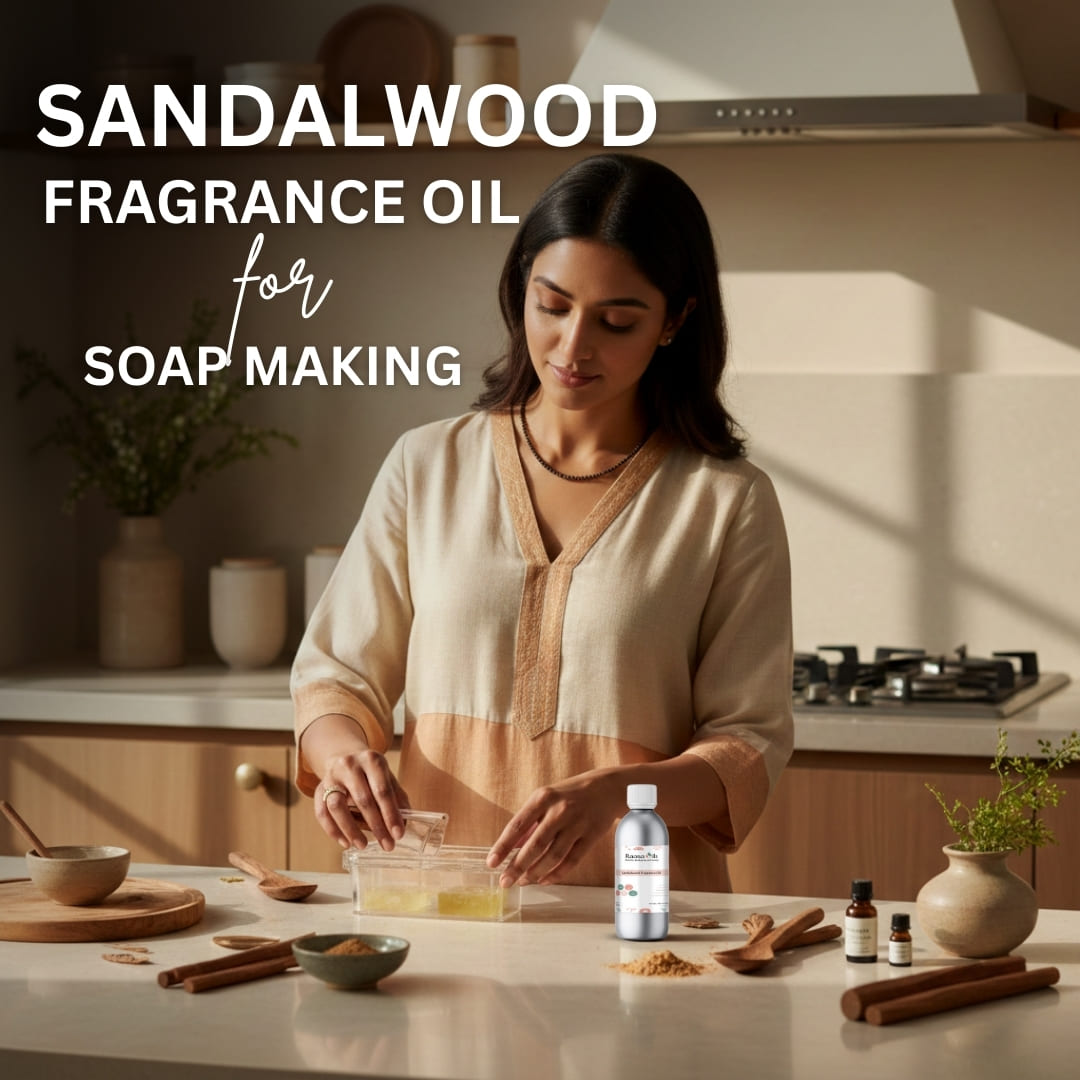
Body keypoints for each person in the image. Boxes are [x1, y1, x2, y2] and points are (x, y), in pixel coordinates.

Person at [291, 152, 794, 892]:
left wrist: (619, 794)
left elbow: (746, 744)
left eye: (616, 321)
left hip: (640, 928)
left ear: (675, 321)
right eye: (551, 305)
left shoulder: (726, 501)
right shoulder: (426, 465)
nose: (572, 348)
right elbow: (337, 677)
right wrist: (342, 760)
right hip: (440, 911)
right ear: (519, 287)